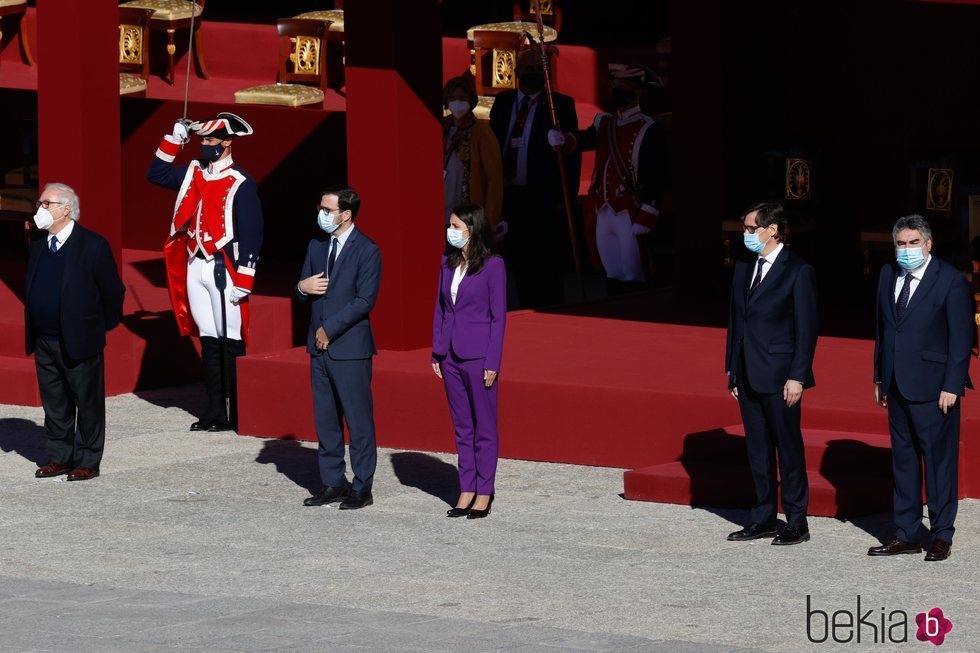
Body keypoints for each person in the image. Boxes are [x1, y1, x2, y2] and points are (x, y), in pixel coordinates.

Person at [147, 112, 264, 433]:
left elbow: (252, 232)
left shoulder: (241, 181)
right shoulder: (193, 170)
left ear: (227, 142)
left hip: (224, 267)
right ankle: (214, 411)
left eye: (211, 140)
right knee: (210, 341)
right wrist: (174, 140)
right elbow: (156, 174)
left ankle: (237, 411)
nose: (206, 145)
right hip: (194, 262)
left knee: (231, 340)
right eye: (202, 140)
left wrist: (245, 277)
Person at [869, 215, 972, 562]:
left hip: (935, 386)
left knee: (940, 464)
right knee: (904, 461)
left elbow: (961, 338)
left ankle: (942, 534)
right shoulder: (887, 275)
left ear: (928, 245)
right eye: (901, 243)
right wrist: (880, 377)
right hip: (897, 383)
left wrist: (952, 384)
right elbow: (884, 331)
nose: (907, 249)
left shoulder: (950, 280)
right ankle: (906, 532)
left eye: (914, 243)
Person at [724, 201, 817, 546]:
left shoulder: (798, 271)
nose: (745, 234)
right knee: (758, 450)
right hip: (747, 373)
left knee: (788, 449)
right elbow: (736, 320)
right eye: (745, 228)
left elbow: (806, 330)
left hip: (781, 377)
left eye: (751, 228)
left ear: (772, 230)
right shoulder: (744, 265)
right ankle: (762, 517)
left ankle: (796, 521)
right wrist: (733, 369)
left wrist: (798, 376)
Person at [25, 183, 125, 482]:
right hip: (44, 339)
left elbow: (112, 292)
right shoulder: (40, 244)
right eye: (40, 203)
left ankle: (87, 460)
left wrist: (96, 327)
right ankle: (59, 457)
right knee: (55, 402)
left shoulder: (92, 245)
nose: (40, 209)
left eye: (46, 203)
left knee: (87, 401)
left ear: (66, 208)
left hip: (79, 339)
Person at [298, 186, 382, 511]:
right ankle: (333, 482)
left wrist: (329, 329)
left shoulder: (367, 250)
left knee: (358, 420)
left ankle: (362, 486)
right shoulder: (316, 245)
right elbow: (305, 286)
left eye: (328, 209)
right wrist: (301, 288)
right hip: (318, 351)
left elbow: (365, 300)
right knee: (326, 420)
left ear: (346, 214)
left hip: (349, 348)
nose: (322, 214)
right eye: (321, 207)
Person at [551, 63, 669, 294]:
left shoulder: (649, 128)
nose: (617, 91)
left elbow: (656, 175)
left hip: (629, 211)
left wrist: (647, 214)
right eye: (615, 86)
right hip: (603, 209)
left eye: (623, 87)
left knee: (633, 275)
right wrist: (563, 140)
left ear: (636, 92)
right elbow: (584, 140)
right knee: (611, 273)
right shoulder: (604, 122)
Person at [431, 204, 506, 519]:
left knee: (484, 427)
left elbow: (498, 317)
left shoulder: (493, 266)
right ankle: (466, 488)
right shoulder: (446, 264)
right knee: (462, 427)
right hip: (450, 356)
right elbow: (441, 309)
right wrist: (437, 352)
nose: (451, 232)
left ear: (473, 230)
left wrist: (493, 360)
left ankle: (484, 491)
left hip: (478, 356)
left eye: (456, 226)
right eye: (450, 225)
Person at [489, 49, 579, 308]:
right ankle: (527, 307)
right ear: (516, 73)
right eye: (528, 70)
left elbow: (571, 157)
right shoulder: (504, 103)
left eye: (539, 70)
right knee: (518, 259)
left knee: (546, 257)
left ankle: (552, 308)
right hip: (510, 193)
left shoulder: (559, 104)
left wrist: (567, 198)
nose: (533, 74)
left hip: (542, 194)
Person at [443, 76, 503, 228]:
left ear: (471, 100)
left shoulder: (481, 132)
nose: (457, 102)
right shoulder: (442, 129)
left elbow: (493, 178)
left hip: (468, 214)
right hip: (442, 208)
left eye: (462, 98)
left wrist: (490, 218)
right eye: (452, 98)